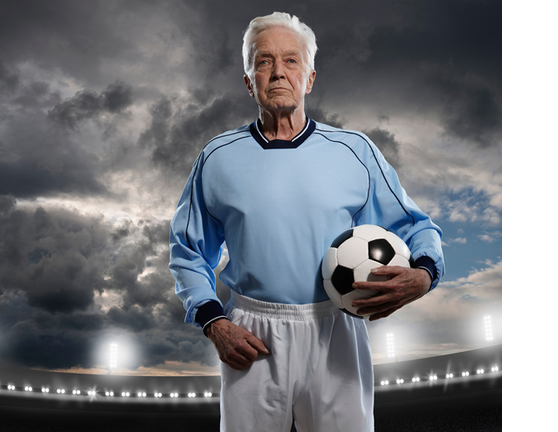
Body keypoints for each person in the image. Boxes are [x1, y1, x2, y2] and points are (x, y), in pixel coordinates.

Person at [169, 11, 444, 432]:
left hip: (336, 327)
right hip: (251, 333)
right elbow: (188, 251)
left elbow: (415, 225)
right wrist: (213, 322)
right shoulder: (216, 157)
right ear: (248, 81)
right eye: (263, 61)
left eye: (291, 60)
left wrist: (424, 274)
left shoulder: (355, 151)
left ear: (310, 77)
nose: (278, 72)